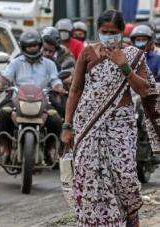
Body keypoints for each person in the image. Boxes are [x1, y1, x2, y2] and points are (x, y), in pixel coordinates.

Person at [61, 9, 149, 226]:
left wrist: (124, 66)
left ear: (121, 32)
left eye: (113, 32)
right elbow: (75, 90)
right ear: (98, 31)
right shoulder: (88, 53)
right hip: (88, 124)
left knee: (124, 175)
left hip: (121, 123)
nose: (109, 36)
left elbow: (145, 90)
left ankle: (129, 215)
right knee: (90, 175)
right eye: (104, 31)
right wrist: (67, 124)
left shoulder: (134, 56)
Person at [0, 29, 65, 163]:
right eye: (28, 46)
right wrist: (0, 84)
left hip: (43, 101)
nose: (32, 49)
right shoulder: (16, 62)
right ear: (23, 47)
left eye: (34, 45)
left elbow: (55, 80)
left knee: (56, 120)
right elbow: (5, 78)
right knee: (2, 114)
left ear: (39, 45)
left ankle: (50, 149)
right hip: (17, 101)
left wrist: (58, 87)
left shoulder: (49, 64)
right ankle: (6, 149)